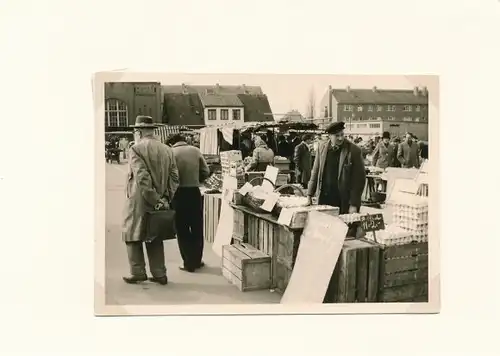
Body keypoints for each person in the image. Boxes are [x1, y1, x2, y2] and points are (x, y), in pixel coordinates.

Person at [122, 116, 179, 285]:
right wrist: (165, 198)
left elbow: (142, 177)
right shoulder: (167, 149)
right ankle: (159, 273)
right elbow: (175, 177)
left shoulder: (136, 149)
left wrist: (154, 199)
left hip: (139, 200)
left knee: (132, 235)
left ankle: (138, 272)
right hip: (161, 198)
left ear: (139, 131)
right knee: (154, 235)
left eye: (135, 131)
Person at [170, 134, 211, 273]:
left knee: (182, 229)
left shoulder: (170, 153)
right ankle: (197, 260)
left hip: (178, 193)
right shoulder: (195, 150)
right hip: (194, 192)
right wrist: (196, 179)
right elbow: (206, 171)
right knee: (197, 227)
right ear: (184, 139)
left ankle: (188, 263)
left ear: (172, 143)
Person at [307, 121, 366, 215]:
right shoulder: (321, 148)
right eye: (337, 135)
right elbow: (315, 171)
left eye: (342, 134)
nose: (341, 138)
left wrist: (353, 204)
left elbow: (359, 180)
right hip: (324, 199)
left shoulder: (354, 150)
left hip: (343, 201)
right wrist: (309, 195)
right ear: (329, 136)